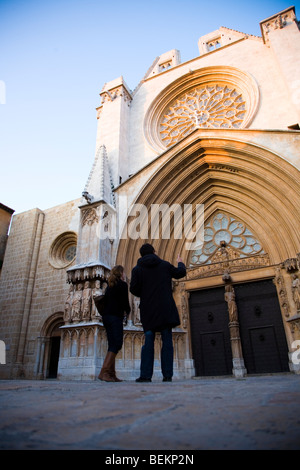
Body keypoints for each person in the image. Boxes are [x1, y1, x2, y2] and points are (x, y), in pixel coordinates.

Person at [130, 244, 186, 382]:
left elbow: (133, 289)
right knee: (167, 341)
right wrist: (180, 263)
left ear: (141, 255)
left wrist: (144, 292)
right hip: (165, 308)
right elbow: (180, 273)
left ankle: (145, 375)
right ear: (154, 252)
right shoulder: (165, 265)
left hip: (148, 310)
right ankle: (167, 375)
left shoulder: (137, 269)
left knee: (148, 341)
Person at [98, 265, 130, 382]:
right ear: (121, 273)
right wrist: (128, 311)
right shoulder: (122, 285)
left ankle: (111, 374)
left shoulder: (109, 286)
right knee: (117, 344)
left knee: (112, 344)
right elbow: (125, 302)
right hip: (115, 317)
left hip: (106, 317)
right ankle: (104, 372)